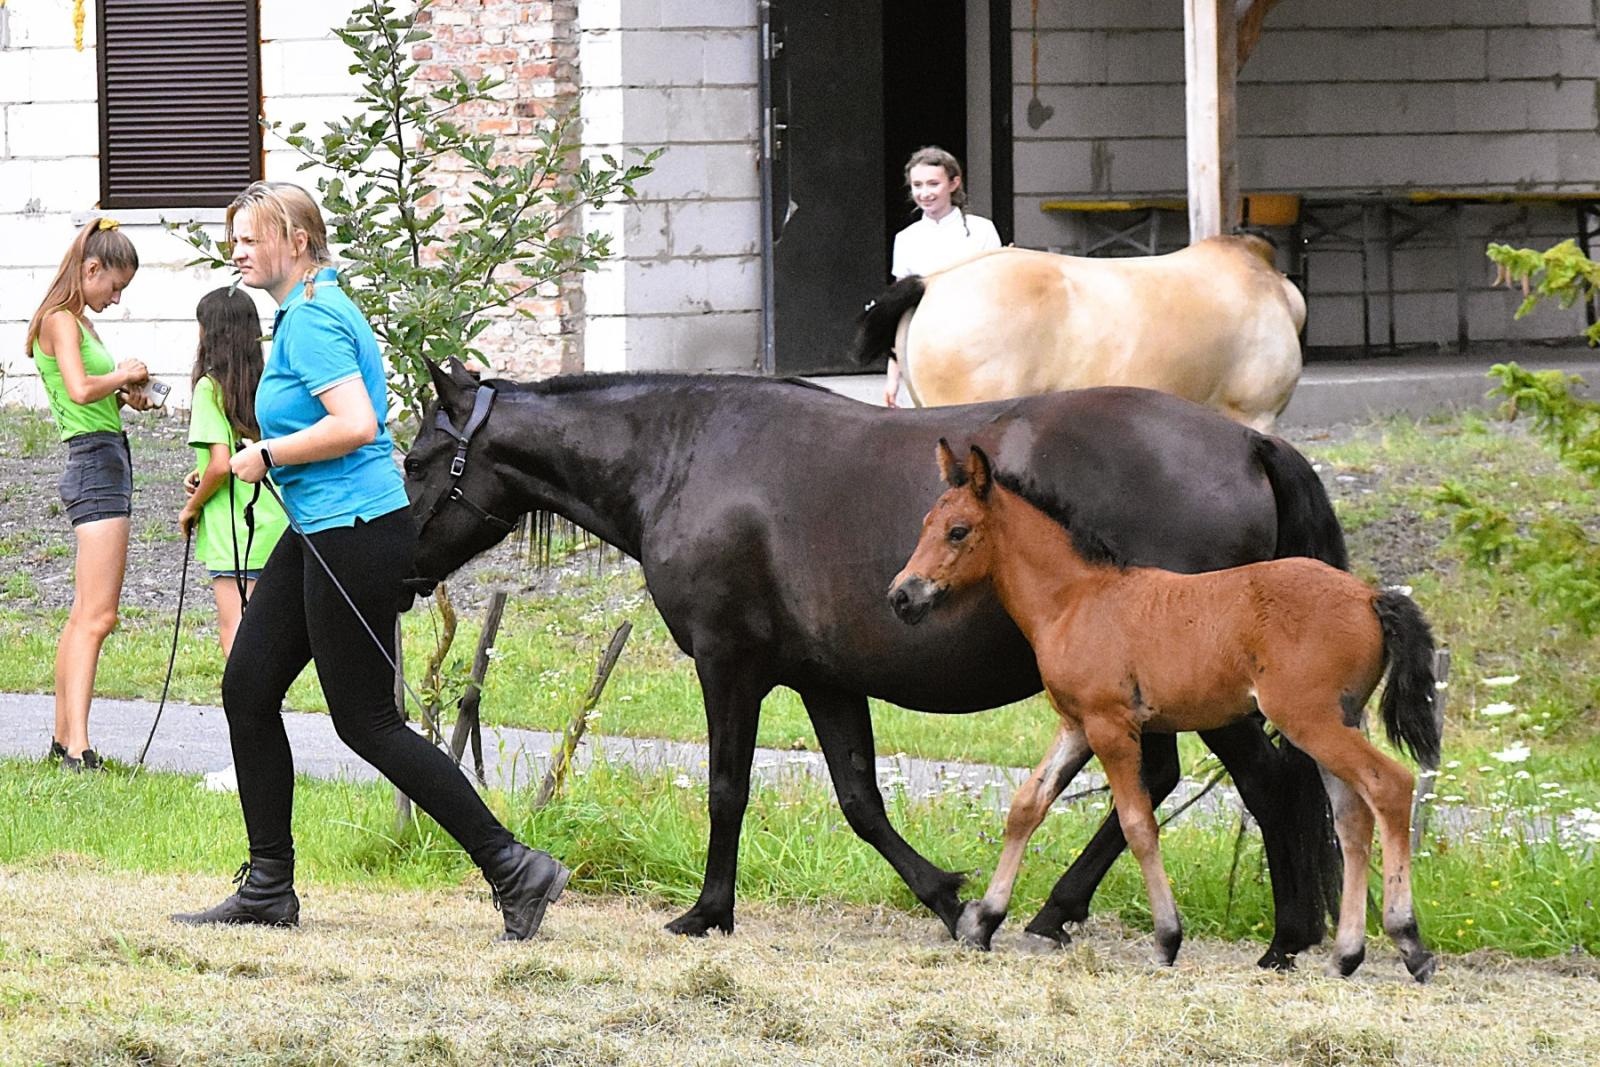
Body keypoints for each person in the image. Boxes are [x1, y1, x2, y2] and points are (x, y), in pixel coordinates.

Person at [171, 181, 569, 939]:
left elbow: (357, 422)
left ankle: (514, 865)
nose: (237, 252)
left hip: (353, 532)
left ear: (294, 239)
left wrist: (267, 453)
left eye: (249, 239)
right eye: (234, 241)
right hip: (323, 528)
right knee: (248, 685)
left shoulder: (315, 318)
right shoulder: (305, 312)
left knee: (368, 722)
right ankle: (268, 884)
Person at [24, 217, 153, 773]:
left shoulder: (78, 323)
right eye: (114, 286)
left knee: (85, 614)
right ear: (91, 269)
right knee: (97, 617)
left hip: (105, 452)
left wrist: (126, 397)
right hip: (94, 462)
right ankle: (77, 747)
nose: (117, 298)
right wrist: (123, 373)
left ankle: (63, 741)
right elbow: (79, 389)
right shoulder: (59, 321)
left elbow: (88, 399)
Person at [178, 286, 289, 656]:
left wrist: (192, 506)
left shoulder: (210, 388)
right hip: (275, 526)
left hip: (234, 534)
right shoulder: (269, 382)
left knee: (236, 631)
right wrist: (201, 475)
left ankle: (243, 711)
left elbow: (221, 465)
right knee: (267, 633)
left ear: (209, 332)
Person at [882, 146, 1001, 407]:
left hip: (976, 344)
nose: (925, 193)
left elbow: (997, 295)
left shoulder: (982, 231)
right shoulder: (906, 239)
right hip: (927, 347)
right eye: (917, 185)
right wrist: (893, 377)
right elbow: (901, 308)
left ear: (953, 183)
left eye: (933, 184)